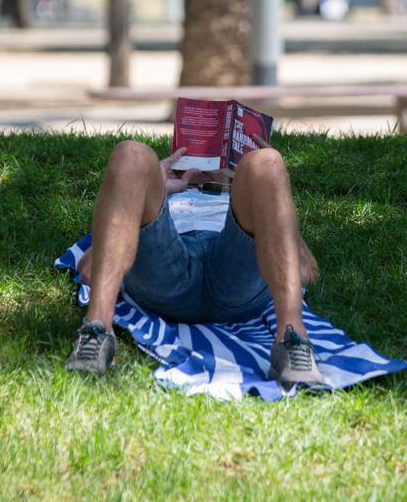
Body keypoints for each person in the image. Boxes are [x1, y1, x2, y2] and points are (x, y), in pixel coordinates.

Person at [65, 140, 326, 387]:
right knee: (130, 153)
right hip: (166, 273)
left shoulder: (250, 198)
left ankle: (293, 341)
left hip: (236, 275)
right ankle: (96, 332)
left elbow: (306, 271)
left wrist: (274, 188)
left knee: (268, 161)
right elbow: (88, 269)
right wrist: (148, 188)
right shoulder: (165, 195)